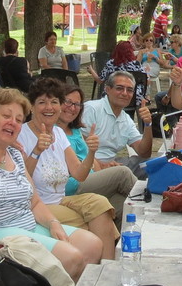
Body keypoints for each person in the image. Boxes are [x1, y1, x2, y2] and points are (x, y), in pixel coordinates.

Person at [0, 88, 104, 281]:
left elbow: (34, 202)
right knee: (72, 257)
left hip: (28, 226)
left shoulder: (14, 154)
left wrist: (53, 223)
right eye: (6, 116)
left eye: (19, 119)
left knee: (92, 245)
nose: (13, 122)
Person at [19, 77, 119, 258]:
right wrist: (36, 151)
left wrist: (91, 152)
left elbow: (79, 174)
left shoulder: (58, 132)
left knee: (101, 205)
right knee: (92, 222)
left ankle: (107, 268)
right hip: (38, 206)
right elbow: (21, 180)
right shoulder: (22, 135)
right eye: (42, 102)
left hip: (61, 199)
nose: (49, 107)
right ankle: (99, 267)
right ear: (31, 106)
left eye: (54, 102)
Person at [60, 83, 137, 214]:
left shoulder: (76, 130)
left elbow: (90, 160)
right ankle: (152, 203)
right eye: (67, 102)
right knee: (122, 174)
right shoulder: (54, 132)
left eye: (77, 104)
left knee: (124, 204)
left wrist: (104, 169)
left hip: (90, 179)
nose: (72, 108)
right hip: (73, 185)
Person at [82, 70, 154, 169]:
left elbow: (144, 153)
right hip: (88, 166)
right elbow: (76, 148)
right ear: (107, 90)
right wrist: (101, 165)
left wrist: (148, 124)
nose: (125, 93)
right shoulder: (91, 109)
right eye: (119, 88)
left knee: (154, 164)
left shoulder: (126, 120)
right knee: (123, 172)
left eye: (129, 90)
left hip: (113, 165)